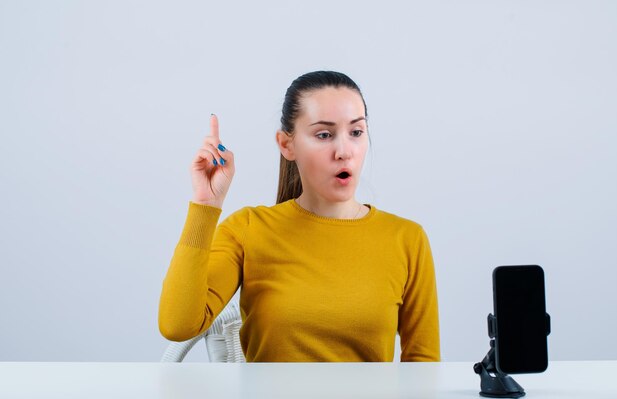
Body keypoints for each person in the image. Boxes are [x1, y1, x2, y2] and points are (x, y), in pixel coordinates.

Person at [158, 70, 440, 362]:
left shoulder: (407, 239)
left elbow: (423, 366)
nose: (344, 151)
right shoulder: (248, 229)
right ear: (286, 145)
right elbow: (177, 325)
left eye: (356, 132)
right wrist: (206, 205)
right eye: (324, 135)